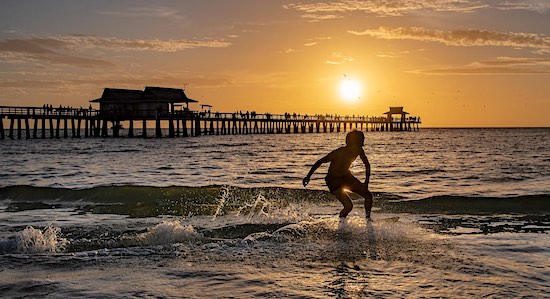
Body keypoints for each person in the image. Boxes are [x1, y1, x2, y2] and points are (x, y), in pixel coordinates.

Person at [303, 130, 373, 219]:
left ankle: (368, 220)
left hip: (346, 176)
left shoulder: (359, 150)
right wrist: (308, 177)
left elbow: (367, 164)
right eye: (359, 141)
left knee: (368, 195)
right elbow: (320, 161)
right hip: (333, 180)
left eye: (361, 142)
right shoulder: (339, 152)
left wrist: (366, 182)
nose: (360, 144)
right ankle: (342, 224)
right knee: (348, 206)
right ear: (351, 142)